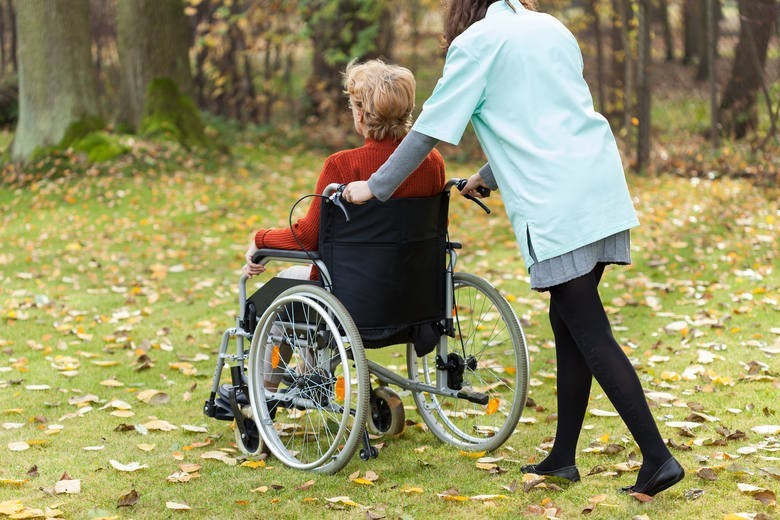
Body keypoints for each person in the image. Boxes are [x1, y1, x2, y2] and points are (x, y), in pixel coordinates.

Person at [342, 0, 684, 497]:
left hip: (558, 205)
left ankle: (657, 458)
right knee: (568, 323)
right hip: (598, 184)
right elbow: (544, 124)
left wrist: (375, 187)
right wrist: (486, 177)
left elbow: (428, 130)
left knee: (589, 329)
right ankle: (563, 458)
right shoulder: (551, 29)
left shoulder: (475, 45)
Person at [242, 59, 446, 393]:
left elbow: (308, 237)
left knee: (278, 299)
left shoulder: (342, 165)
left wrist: (260, 239)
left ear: (361, 114)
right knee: (305, 290)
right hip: (415, 301)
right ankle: (312, 379)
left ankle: (265, 396)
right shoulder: (432, 163)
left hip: (352, 304)